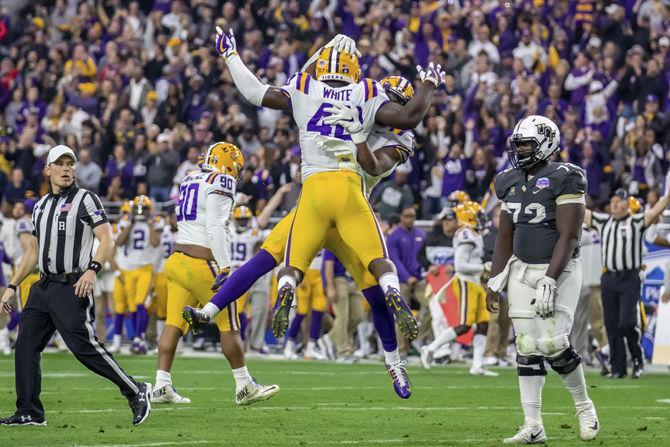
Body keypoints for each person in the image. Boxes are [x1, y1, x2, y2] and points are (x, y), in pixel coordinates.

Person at [184, 32, 439, 399]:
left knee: (271, 261)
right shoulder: (368, 102)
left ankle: (218, 308)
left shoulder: (337, 99)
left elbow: (261, 91)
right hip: (350, 206)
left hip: (316, 197)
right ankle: (394, 363)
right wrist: (421, 89)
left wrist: (232, 54)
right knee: (375, 284)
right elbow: (401, 119)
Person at [0, 145, 150, 426]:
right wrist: (13, 285)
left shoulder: (86, 199)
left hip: (72, 285)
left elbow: (107, 239)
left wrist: (92, 270)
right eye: (60, 163)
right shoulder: (41, 205)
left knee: (84, 348)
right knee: (25, 345)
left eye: (70, 163)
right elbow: (33, 251)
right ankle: (29, 411)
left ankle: (134, 390)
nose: (67, 168)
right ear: (48, 169)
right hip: (43, 287)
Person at [486, 116, 598, 443]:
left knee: (553, 343)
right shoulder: (507, 180)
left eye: (526, 145)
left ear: (547, 144)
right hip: (522, 269)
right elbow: (504, 236)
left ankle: (584, 406)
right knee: (526, 346)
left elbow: (570, 235)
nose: (520, 152)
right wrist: (495, 278)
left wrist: (551, 277)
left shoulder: (567, 177)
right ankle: (533, 424)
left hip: (559, 268)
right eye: (517, 145)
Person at [152, 142, 279, 406]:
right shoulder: (220, 180)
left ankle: (161, 384)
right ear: (228, 162)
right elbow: (215, 226)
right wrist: (224, 266)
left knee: (173, 325)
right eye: (237, 166)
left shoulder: (190, 177)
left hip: (177, 261)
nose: (239, 173)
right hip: (203, 262)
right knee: (229, 323)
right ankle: (244, 384)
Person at [583, 179, 670, 379]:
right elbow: (582, 212)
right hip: (609, 278)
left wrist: (667, 197)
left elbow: (655, 211)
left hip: (629, 277)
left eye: (619, 200)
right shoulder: (603, 221)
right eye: (612, 200)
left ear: (627, 204)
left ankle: (637, 359)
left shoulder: (636, 221)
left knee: (627, 323)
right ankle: (618, 367)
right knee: (612, 324)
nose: (614, 203)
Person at [420, 202, 497, 376]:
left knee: (484, 324)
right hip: (465, 282)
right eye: (477, 216)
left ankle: (477, 365)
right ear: (468, 217)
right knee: (464, 325)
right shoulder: (465, 234)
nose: (481, 219)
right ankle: (430, 349)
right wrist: (483, 268)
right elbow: (460, 265)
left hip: (475, 283)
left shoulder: (473, 233)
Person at [114, 195, 161, 354]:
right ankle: (136, 339)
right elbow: (119, 242)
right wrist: (130, 225)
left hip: (145, 268)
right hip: (128, 268)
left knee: (141, 303)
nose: (141, 212)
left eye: (144, 209)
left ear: (150, 211)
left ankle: (140, 338)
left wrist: (150, 224)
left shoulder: (153, 223)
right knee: (133, 306)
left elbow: (155, 243)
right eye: (138, 209)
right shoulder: (126, 222)